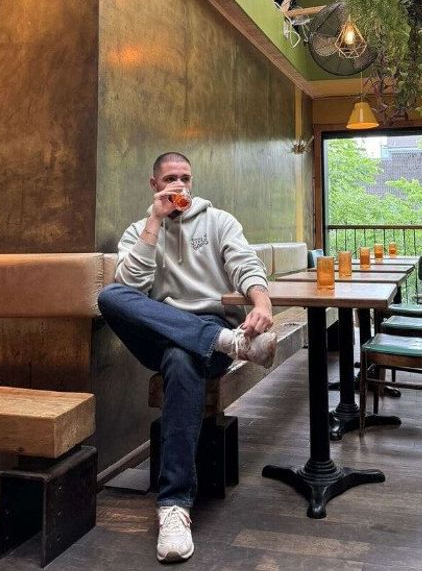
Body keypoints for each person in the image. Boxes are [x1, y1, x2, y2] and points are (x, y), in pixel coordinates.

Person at [97, 152, 276, 563]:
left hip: (206, 335)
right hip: (167, 333)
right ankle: (226, 342)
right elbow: (131, 287)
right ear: (154, 184)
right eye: (170, 179)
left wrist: (261, 303)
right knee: (110, 295)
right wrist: (155, 223)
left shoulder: (218, 221)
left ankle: (173, 507)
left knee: (181, 359)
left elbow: (246, 264)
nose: (179, 186)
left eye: (185, 178)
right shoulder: (139, 230)